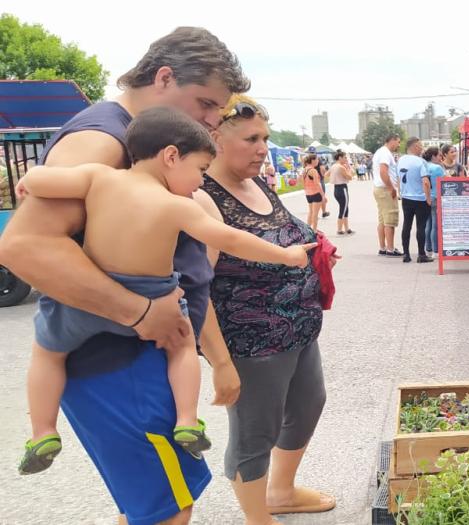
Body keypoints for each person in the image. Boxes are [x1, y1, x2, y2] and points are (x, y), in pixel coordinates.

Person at [0, 26, 249, 525]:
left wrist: (215, 355)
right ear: (163, 77)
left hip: (134, 361)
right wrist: (137, 312)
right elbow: (23, 246)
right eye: (205, 104)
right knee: (166, 511)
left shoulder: (141, 147)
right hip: (116, 364)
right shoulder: (104, 139)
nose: (210, 122)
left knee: (154, 504)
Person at [15, 108, 313, 475]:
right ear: (171, 156)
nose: (201, 183)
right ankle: (187, 420)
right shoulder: (176, 206)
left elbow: (39, 178)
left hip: (89, 297)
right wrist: (287, 255)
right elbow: (232, 239)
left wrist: (29, 183)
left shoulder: (97, 178)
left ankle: (42, 431)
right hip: (154, 300)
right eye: (201, 170)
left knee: (47, 355)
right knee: (182, 346)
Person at [193, 95, 336, 524]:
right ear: (215, 137)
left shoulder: (257, 183)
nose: (262, 148)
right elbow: (197, 290)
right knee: (254, 433)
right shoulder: (203, 198)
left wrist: (318, 249)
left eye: (266, 138)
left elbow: (289, 232)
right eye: (252, 138)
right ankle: (258, 517)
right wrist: (220, 362)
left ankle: (282, 491)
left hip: (297, 330)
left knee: (309, 404)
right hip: (252, 344)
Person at [397, 137, 432, 263]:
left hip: (406, 198)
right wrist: (428, 198)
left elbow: (399, 178)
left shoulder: (400, 160)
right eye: (420, 145)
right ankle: (421, 254)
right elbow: (426, 182)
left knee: (407, 225)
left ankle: (406, 254)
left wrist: (400, 193)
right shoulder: (421, 162)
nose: (421, 148)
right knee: (420, 227)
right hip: (420, 198)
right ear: (414, 146)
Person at [372, 133, 402, 256]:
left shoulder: (380, 152)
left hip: (379, 188)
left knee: (383, 220)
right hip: (385, 189)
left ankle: (383, 247)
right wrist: (391, 188)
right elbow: (383, 171)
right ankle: (390, 248)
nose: (398, 145)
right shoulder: (385, 153)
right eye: (398, 142)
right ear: (392, 140)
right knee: (390, 220)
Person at [423, 147, 444, 255]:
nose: (441, 158)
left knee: (428, 224)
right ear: (433, 156)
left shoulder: (423, 166)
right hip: (436, 197)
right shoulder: (438, 168)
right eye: (439, 155)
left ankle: (428, 248)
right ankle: (436, 250)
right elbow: (444, 182)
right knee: (435, 225)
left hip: (426, 196)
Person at [331, 150, 354, 235]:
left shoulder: (334, 166)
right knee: (343, 209)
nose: (346, 159)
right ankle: (339, 229)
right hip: (342, 188)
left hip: (336, 188)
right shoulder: (341, 167)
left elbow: (326, 174)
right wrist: (349, 169)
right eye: (345, 157)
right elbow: (350, 177)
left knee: (345, 208)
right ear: (340, 158)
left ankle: (347, 228)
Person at [301, 154, 323, 231]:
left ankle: (308, 229)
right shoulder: (313, 170)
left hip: (308, 194)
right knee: (315, 214)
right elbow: (317, 184)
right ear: (313, 160)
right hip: (315, 193)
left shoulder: (304, 170)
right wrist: (323, 195)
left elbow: (302, 182)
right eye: (317, 159)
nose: (318, 161)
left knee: (311, 212)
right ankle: (314, 230)